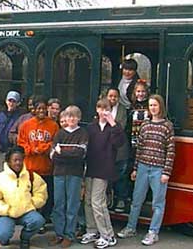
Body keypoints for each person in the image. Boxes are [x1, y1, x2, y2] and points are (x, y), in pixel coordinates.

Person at [117, 94, 175, 246]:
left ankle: (153, 232)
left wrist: (166, 172)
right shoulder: (144, 125)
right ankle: (131, 227)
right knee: (136, 200)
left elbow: (170, 151)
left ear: (161, 107)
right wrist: (135, 169)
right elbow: (139, 148)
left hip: (158, 169)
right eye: (150, 105)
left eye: (155, 105)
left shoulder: (167, 126)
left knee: (158, 203)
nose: (153, 108)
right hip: (143, 167)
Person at [80, 99, 125, 249]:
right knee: (87, 201)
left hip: (104, 169)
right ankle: (92, 230)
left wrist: (113, 123)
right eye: (100, 108)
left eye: (106, 109)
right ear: (96, 109)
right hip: (91, 167)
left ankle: (108, 235)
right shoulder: (91, 127)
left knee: (98, 202)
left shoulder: (114, 127)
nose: (103, 111)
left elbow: (119, 143)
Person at [0, 146, 47, 249]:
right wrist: (5, 209)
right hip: (6, 214)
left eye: (20, 160)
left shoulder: (31, 176)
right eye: (15, 160)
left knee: (38, 221)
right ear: (8, 162)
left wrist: (32, 204)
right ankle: (5, 237)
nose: (18, 163)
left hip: (26, 212)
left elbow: (41, 192)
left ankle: (25, 238)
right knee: (3, 234)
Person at [17, 96, 59, 231]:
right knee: (31, 196)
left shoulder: (53, 125)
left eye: (43, 108)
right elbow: (21, 143)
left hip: (46, 168)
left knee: (45, 196)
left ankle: (43, 221)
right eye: (38, 108)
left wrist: (41, 148)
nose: (41, 111)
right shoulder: (26, 125)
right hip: (30, 168)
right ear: (34, 109)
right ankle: (31, 220)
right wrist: (31, 149)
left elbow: (54, 143)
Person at [49, 105, 88, 248]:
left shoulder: (82, 133)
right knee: (59, 204)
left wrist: (62, 151)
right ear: (64, 118)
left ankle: (69, 235)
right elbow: (53, 156)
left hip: (75, 174)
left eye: (74, 116)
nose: (71, 119)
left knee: (72, 205)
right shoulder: (59, 133)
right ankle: (59, 233)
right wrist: (69, 152)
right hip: (58, 173)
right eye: (68, 116)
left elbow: (80, 154)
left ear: (79, 118)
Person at [106, 87, 130, 213]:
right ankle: (109, 197)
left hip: (120, 149)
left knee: (120, 175)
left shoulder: (123, 110)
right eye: (110, 96)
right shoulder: (102, 108)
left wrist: (111, 124)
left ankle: (121, 199)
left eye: (115, 96)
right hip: (106, 149)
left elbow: (121, 126)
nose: (112, 99)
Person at [0, 91, 24, 176]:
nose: (11, 103)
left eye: (14, 101)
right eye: (10, 101)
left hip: (12, 150)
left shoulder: (20, 116)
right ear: (6, 101)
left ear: (18, 103)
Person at [129, 81, 150, 148]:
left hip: (147, 134)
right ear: (135, 92)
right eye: (138, 91)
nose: (140, 94)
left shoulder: (149, 104)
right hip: (135, 134)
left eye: (143, 91)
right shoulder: (132, 105)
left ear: (147, 92)